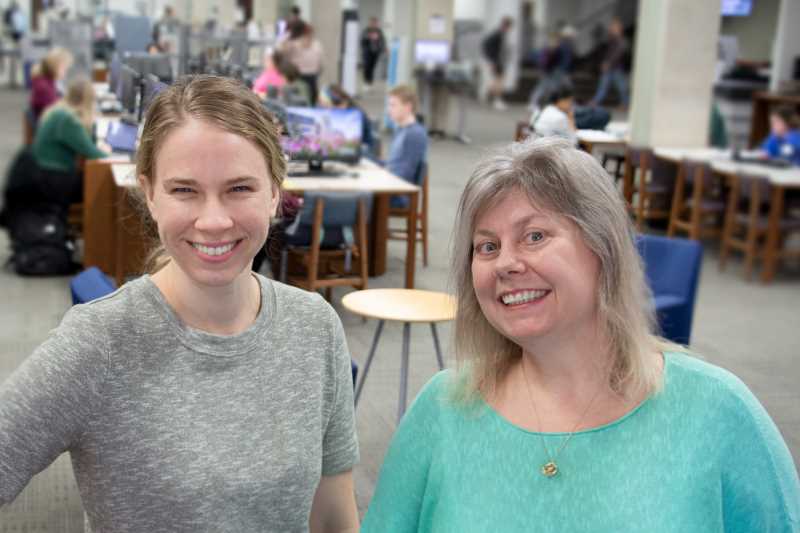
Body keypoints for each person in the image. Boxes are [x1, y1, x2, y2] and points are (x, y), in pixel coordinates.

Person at [362, 137, 800, 531]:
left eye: (534, 236)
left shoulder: (717, 411)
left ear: (602, 248)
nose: (506, 263)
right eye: (487, 246)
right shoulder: (443, 409)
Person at [0, 75, 360, 532]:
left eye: (240, 188)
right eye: (184, 190)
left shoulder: (315, 327)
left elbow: (334, 516)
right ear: (149, 194)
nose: (213, 220)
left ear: (275, 193)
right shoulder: (101, 342)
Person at [30, 77, 107, 209]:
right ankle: (95, 227)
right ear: (88, 101)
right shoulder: (69, 120)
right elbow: (93, 153)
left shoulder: (59, 111)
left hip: (43, 176)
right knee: (101, 185)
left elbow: (87, 143)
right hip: (53, 182)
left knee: (95, 177)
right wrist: (109, 152)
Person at [385, 84, 427, 208]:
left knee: (354, 198)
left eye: (393, 105)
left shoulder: (414, 134)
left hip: (397, 194)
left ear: (408, 107)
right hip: (390, 187)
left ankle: (367, 227)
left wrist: (380, 173)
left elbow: (404, 173)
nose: (389, 110)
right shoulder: (402, 130)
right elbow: (394, 164)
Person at [319, 83, 377, 157]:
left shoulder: (356, 116)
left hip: (362, 152)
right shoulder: (327, 113)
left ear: (345, 102)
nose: (330, 110)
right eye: (325, 106)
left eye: (336, 106)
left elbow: (350, 142)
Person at [528, 25, 575, 112]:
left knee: (549, 87)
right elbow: (558, 60)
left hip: (552, 70)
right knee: (546, 87)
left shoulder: (559, 46)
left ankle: (537, 103)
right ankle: (535, 103)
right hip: (553, 71)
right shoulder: (559, 46)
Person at [281, 22, 324, 106]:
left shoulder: (315, 45)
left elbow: (283, 51)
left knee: (304, 101)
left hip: (307, 77)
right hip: (301, 77)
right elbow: (320, 65)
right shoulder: (296, 44)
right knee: (307, 101)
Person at [590, 18, 629, 108]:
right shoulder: (613, 40)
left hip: (616, 68)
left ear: (619, 29)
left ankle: (625, 103)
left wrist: (608, 63)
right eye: (612, 28)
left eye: (614, 28)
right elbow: (608, 52)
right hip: (611, 67)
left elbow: (617, 54)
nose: (611, 29)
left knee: (621, 87)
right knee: (603, 86)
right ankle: (595, 101)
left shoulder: (621, 41)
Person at [29, 47, 72, 121]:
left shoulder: (49, 81)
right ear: (55, 67)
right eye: (64, 68)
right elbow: (56, 112)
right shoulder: (44, 87)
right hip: (51, 125)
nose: (66, 71)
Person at [481, 16, 513, 111]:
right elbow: (486, 45)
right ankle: (497, 100)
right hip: (497, 61)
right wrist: (491, 61)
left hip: (499, 61)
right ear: (505, 25)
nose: (510, 29)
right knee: (499, 82)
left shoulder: (502, 34)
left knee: (497, 81)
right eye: (509, 27)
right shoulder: (497, 34)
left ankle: (488, 95)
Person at [360, 17, 385, 91]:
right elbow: (362, 40)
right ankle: (366, 82)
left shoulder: (379, 31)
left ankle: (370, 83)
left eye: (375, 23)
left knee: (372, 67)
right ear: (370, 23)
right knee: (367, 66)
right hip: (367, 52)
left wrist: (382, 48)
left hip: (376, 52)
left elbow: (382, 40)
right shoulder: (366, 31)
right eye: (373, 23)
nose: (374, 24)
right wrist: (369, 37)